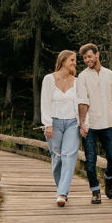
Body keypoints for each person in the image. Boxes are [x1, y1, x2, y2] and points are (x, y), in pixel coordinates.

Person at [76, 43, 112, 204]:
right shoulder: (82, 77)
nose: (87, 60)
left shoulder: (110, 75)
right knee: (90, 160)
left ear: (97, 55)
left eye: (89, 56)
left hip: (108, 124)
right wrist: (82, 123)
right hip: (90, 125)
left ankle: (108, 178)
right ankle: (95, 191)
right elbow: (83, 102)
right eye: (84, 58)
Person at [40, 50, 81, 207]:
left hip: (72, 123)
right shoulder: (49, 79)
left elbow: (81, 104)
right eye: (72, 60)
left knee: (69, 156)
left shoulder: (77, 82)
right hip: (54, 123)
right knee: (56, 158)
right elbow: (45, 103)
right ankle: (62, 189)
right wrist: (48, 124)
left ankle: (62, 193)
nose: (74, 63)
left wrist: (84, 123)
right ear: (63, 61)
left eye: (75, 60)